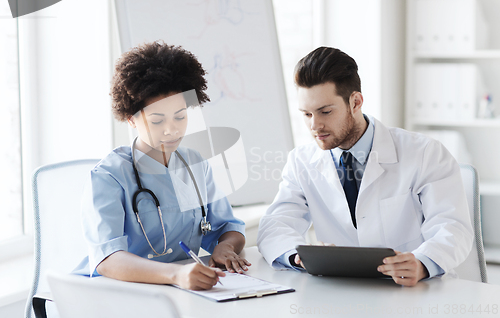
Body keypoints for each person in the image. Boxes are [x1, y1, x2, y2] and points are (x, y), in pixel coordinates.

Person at [257, 47, 472, 287]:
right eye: (306, 114)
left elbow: (453, 228)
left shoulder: (424, 153)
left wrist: (422, 263)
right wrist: (297, 257)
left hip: (414, 291)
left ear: (355, 102)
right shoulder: (301, 161)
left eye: (325, 111)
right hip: (341, 291)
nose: (315, 125)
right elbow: (274, 226)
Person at [73, 41, 250, 290]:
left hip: (179, 289)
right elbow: (107, 259)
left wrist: (225, 246)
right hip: (117, 291)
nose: (172, 129)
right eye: (157, 120)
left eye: (180, 116)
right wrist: (174, 275)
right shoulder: (109, 176)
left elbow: (228, 226)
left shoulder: (195, 165)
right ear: (130, 118)